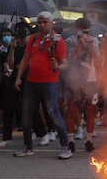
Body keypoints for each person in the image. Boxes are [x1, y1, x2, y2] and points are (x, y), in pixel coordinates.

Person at [14, 11, 72, 159]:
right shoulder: (33, 38)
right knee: (26, 114)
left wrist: (58, 67)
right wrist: (19, 78)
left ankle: (65, 146)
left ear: (51, 23)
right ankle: (28, 146)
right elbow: (25, 59)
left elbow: (65, 63)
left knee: (53, 113)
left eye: (44, 22)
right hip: (32, 82)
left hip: (49, 82)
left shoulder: (58, 40)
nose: (41, 24)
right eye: (39, 22)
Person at [64, 18, 102, 151]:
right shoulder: (70, 41)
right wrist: (79, 46)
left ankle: (89, 140)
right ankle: (70, 140)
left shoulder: (95, 40)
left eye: (86, 27)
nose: (84, 30)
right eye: (81, 27)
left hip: (90, 80)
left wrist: (91, 46)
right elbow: (70, 60)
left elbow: (98, 61)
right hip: (74, 79)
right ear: (76, 28)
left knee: (90, 110)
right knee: (72, 109)